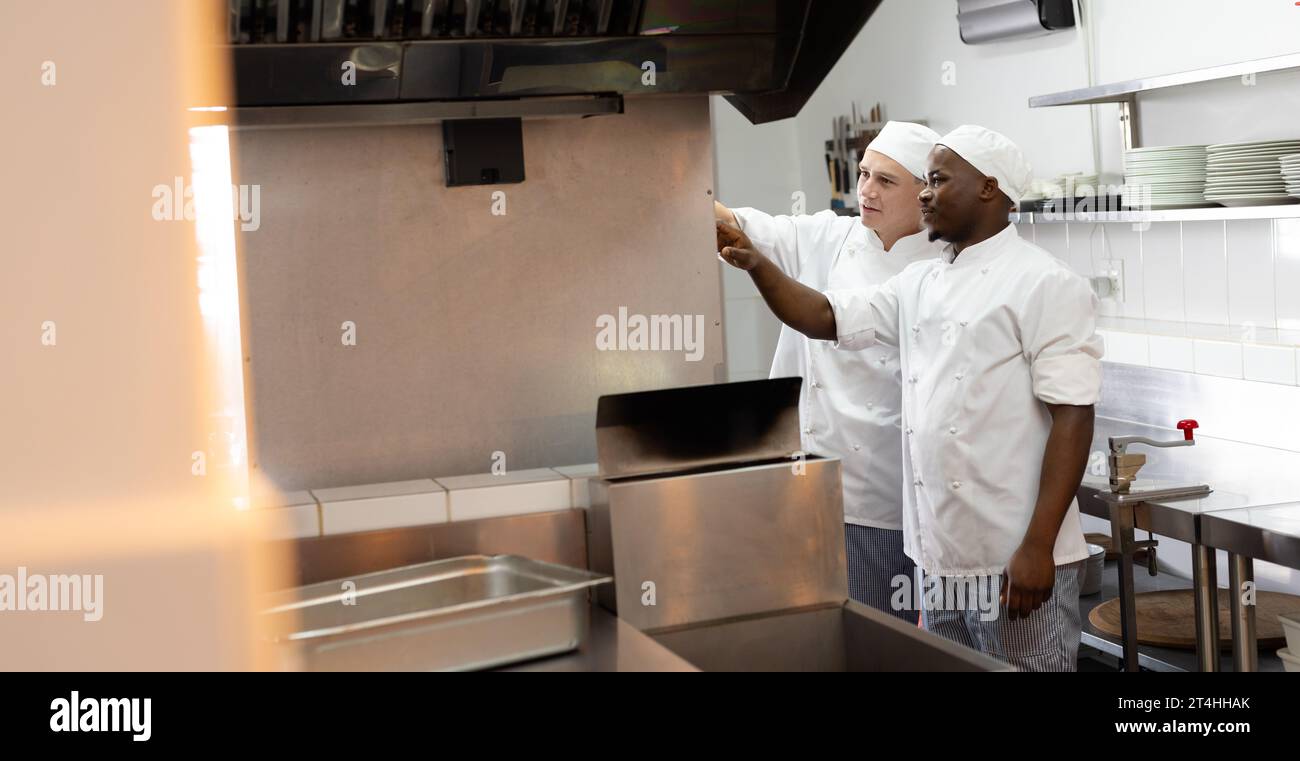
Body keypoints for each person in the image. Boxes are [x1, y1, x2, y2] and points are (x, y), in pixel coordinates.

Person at [717, 125, 1102, 671]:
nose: (925, 192)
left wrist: (1038, 547)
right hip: (938, 557)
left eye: (937, 180)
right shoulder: (921, 282)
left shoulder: (1045, 283)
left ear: (989, 189)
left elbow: (1074, 419)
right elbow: (825, 316)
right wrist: (757, 265)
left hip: (1011, 555)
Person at [715, 122, 943, 621]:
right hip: (800, 481)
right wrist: (683, 192)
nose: (865, 190)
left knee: (873, 637)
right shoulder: (833, 236)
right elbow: (743, 226)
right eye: (863, 174)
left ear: (924, 194)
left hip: (881, 499)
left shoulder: (942, 269)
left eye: (885, 181)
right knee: (802, 630)